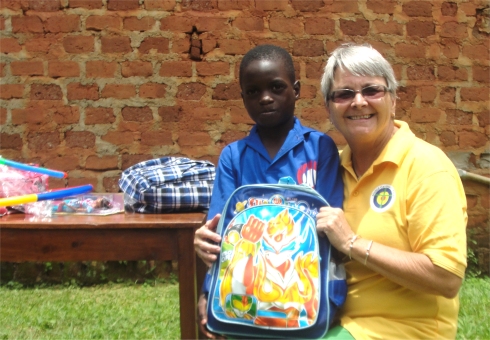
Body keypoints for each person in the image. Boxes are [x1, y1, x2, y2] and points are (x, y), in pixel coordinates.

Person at [316, 43, 467, 339]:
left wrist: (353, 243)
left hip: (404, 330)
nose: (358, 102)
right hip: (330, 320)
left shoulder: (426, 166)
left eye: (372, 90)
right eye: (344, 94)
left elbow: (447, 276)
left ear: (394, 100)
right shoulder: (332, 166)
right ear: (329, 109)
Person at [193, 44, 344, 338]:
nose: (265, 98)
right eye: (253, 91)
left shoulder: (319, 148)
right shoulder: (233, 156)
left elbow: (331, 228)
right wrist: (208, 293)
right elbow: (220, 236)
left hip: (306, 292)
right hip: (245, 294)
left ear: (296, 90)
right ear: (243, 97)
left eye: (276, 87)